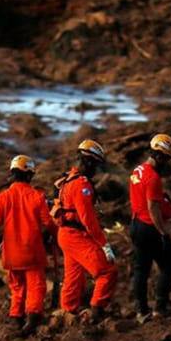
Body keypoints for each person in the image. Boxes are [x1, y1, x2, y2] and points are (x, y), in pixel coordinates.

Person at [0, 155, 56, 335]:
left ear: (12, 174)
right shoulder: (37, 197)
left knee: (17, 286)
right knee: (36, 286)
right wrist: (56, 236)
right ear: (29, 175)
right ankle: (32, 319)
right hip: (32, 252)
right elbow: (49, 223)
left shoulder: (2, 198)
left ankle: (16, 317)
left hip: (11, 254)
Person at [51, 139, 118, 324]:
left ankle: (68, 312)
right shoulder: (81, 185)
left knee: (74, 276)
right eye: (95, 165)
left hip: (65, 235)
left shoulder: (67, 179)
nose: (95, 170)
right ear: (88, 161)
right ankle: (97, 313)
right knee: (107, 271)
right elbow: (88, 219)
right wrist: (104, 245)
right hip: (75, 236)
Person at [128, 134, 171, 323]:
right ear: (161, 156)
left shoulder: (137, 171)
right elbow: (153, 208)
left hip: (136, 224)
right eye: (167, 159)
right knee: (168, 267)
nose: (168, 164)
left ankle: (141, 311)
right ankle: (160, 308)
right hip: (149, 228)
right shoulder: (154, 178)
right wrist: (164, 234)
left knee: (141, 269)